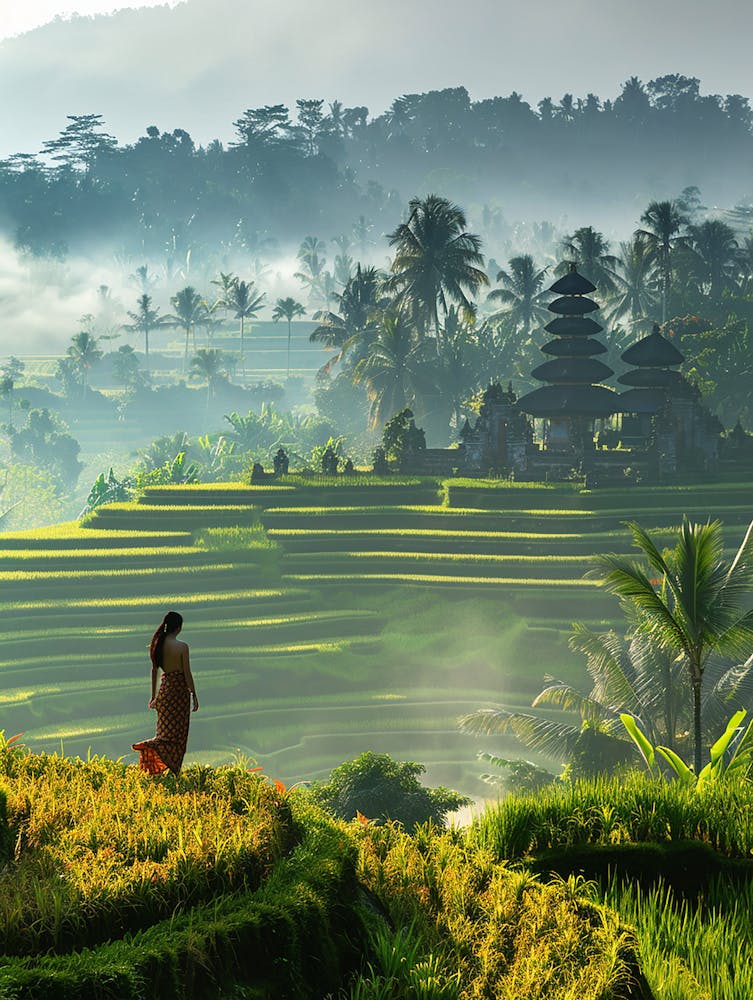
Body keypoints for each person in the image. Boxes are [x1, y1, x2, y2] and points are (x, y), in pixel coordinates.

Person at [132, 611, 198, 775]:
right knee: (177, 736)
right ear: (178, 628)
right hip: (179, 693)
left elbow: (154, 671)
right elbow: (187, 673)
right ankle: (166, 762)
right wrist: (194, 694)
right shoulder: (182, 647)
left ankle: (153, 759)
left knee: (164, 732)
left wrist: (154, 696)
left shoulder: (158, 645)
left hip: (165, 691)